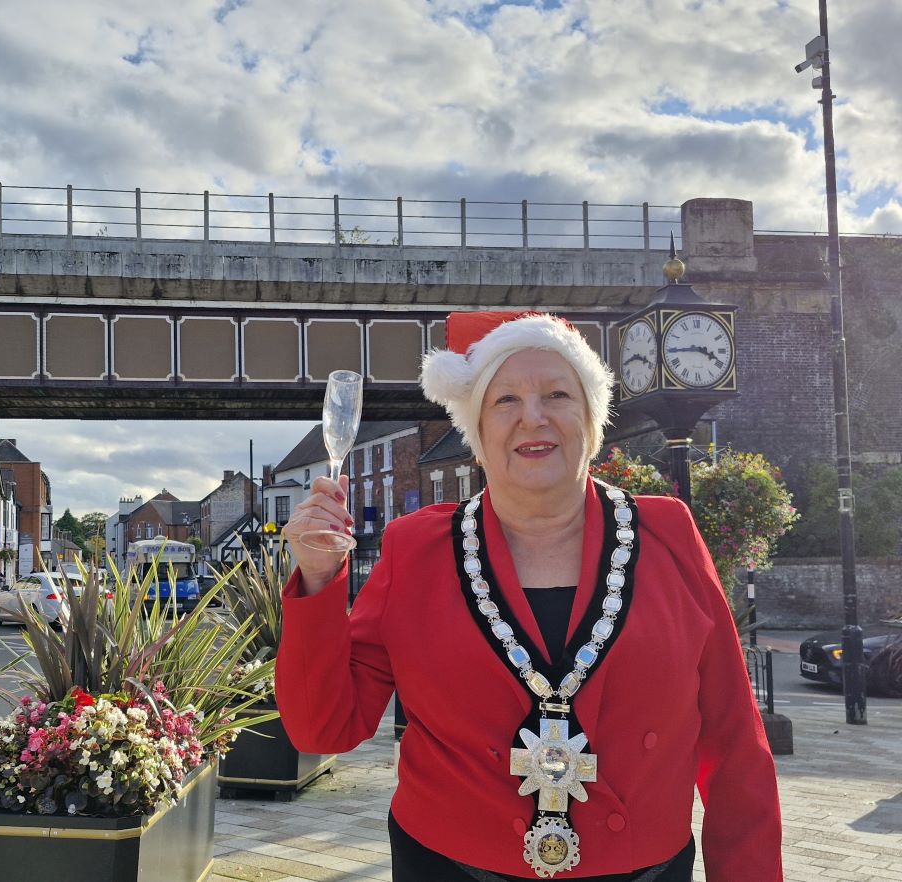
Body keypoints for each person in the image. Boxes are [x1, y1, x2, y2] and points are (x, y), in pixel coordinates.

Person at [276, 312, 782, 881]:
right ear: (476, 432)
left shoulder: (668, 534)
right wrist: (317, 579)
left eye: (557, 395)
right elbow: (324, 729)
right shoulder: (414, 548)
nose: (533, 417)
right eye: (506, 400)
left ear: (591, 416)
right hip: (449, 868)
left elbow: (735, 743)